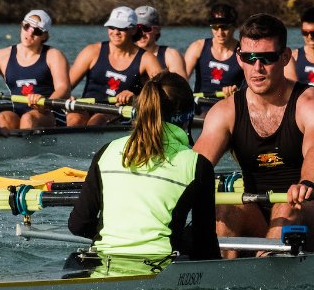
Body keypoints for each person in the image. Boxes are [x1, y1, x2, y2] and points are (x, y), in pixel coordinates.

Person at [193, 14, 314, 256]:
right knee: (226, 208)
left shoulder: (313, 104)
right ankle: (225, 273)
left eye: (267, 58)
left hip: (313, 215)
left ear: (285, 57)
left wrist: (305, 183)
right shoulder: (225, 112)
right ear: (239, 58)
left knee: (286, 206)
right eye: (249, 58)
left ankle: (263, 269)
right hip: (258, 213)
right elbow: (195, 167)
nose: (257, 68)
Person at [68, 72, 219, 276]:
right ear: (187, 116)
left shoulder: (107, 151)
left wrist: (121, 235)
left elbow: (78, 224)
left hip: (103, 266)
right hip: (162, 271)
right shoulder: (197, 165)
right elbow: (205, 245)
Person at [65, 6, 166, 126]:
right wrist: (67, 96)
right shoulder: (91, 51)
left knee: (98, 121)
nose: (116, 32)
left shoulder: (147, 59)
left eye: (122, 28)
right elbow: (65, 87)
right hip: (87, 106)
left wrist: (137, 97)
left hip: (121, 111)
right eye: (112, 27)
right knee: (75, 119)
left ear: (133, 30)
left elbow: (164, 93)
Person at [0, 10, 69, 130]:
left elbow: (64, 89)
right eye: (26, 26)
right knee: (2, 118)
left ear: (44, 36)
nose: (30, 33)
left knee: (28, 119)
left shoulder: (54, 55)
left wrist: (45, 103)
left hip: (49, 113)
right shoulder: (2, 56)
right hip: (18, 112)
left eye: (37, 31)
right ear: (22, 26)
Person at [183, 3, 244, 97]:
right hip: (200, 104)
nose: (220, 33)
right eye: (215, 27)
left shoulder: (243, 52)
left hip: (230, 104)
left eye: (224, 27)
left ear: (234, 26)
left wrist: (239, 91)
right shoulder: (197, 47)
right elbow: (180, 82)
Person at [135, 6, 187, 78]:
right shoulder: (122, 56)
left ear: (157, 30)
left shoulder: (171, 56)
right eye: (137, 29)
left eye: (146, 28)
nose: (142, 33)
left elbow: (181, 85)